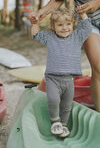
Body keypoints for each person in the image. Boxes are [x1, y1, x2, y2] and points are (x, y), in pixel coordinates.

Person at [30, 8, 92, 138]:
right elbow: (36, 34)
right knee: (53, 99)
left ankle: (63, 125)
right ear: (53, 27)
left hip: (69, 80)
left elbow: (87, 28)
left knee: (66, 105)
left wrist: (82, 14)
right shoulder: (49, 37)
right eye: (60, 25)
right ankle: (55, 122)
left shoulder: (77, 36)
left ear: (72, 24)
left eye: (68, 24)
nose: (65, 28)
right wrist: (34, 23)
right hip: (52, 78)